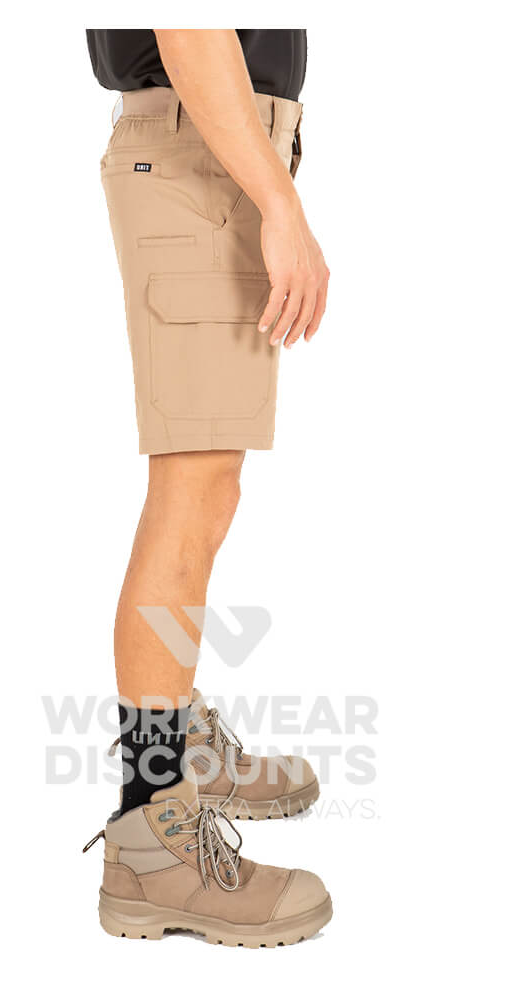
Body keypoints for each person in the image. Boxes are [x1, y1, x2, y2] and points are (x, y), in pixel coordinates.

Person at [82, 29, 332, 947]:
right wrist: (278, 201)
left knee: (210, 484)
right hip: (203, 156)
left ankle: (178, 744)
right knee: (191, 487)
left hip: (215, 149)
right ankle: (152, 830)